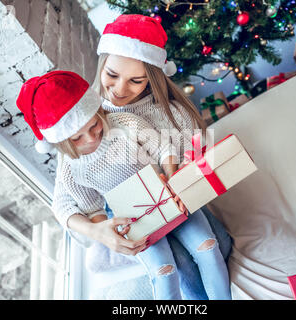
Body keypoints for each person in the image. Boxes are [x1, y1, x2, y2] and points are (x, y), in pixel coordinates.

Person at [16, 70, 232, 299]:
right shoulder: (71, 170)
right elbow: (94, 210)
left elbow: (163, 149)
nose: (91, 138)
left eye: (93, 125)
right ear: (60, 141)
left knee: (207, 247)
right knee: (164, 272)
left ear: (96, 110)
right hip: (133, 222)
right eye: (77, 138)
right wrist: (112, 231)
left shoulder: (123, 123)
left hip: (168, 196)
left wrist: (172, 177)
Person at [93, 14, 233, 299]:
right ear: (101, 65)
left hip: (175, 197)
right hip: (132, 208)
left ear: (152, 78)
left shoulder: (169, 112)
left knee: (210, 245)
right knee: (175, 265)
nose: (120, 90)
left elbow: (195, 152)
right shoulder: (91, 119)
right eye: (112, 75)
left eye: (135, 81)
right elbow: (71, 189)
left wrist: (181, 174)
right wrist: (97, 231)